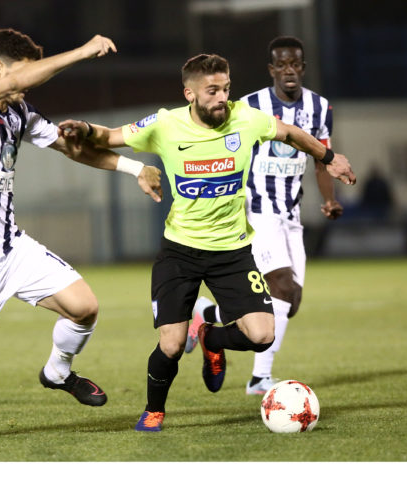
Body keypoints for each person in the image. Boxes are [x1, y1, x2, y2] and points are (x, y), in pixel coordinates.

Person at [59, 53, 355, 431]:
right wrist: (84, 128)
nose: (222, 98)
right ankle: (154, 410)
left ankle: (211, 337)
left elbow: (291, 133)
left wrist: (329, 157)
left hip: (233, 252)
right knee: (170, 345)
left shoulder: (246, 119)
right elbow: (111, 136)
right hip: (180, 253)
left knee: (263, 335)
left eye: (226, 89)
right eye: (212, 91)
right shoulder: (165, 124)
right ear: (190, 94)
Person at [0, 28, 163, 441]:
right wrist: (82, 51)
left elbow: (72, 147)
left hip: (11, 250)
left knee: (84, 307)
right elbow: (17, 82)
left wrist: (134, 168)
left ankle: (57, 372)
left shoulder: (19, 113)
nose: (25, 88)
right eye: (22, 76)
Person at [183, 36, 347, 396]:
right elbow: (220, 147)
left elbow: (321, 158)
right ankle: (259, 379)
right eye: (282, 64)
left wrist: (329, 199)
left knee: (289, 303)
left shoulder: (320, 108)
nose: (289, 70)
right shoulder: (249, 105)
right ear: (272, 69)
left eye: (295, 64)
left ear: (303, 68)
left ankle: (207, 318)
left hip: (291, 214)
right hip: (257, 212)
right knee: (282, 287)